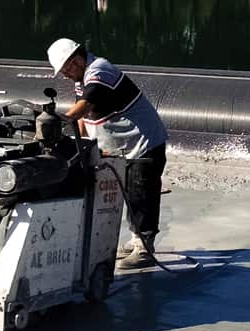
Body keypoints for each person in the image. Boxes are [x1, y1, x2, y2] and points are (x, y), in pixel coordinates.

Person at [47, 38, 168, 269]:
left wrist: (59, 121)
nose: (65, 75)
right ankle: (137, 240)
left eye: (65, 70)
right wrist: (77, 144)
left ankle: (145, 248)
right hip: (124, 146)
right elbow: (83, 117)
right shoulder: (81, 79)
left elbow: (85, 105)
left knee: (141, 193)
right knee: (130, 194)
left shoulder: (100, 70)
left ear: (77, 60)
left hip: (143, 143)